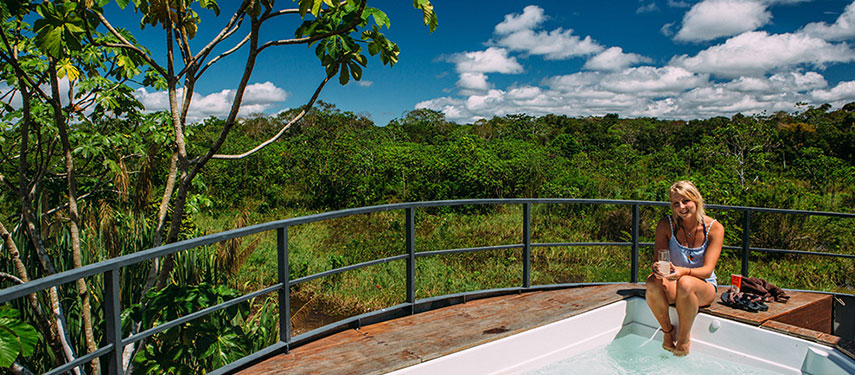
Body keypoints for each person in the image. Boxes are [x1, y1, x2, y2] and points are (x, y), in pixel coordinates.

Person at [645, 180, 723, 356]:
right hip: (674, 283)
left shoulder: (714, 228)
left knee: (686, 283)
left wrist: (683, 271)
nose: (681, 207)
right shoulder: (666, 225)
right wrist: (658, 269)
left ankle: (683, 338)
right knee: (651, 283)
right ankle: (667, 331)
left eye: (686, 201)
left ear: (696, 200)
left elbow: (707, 270)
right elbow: (659, 259)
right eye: (676, 203)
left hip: (703, 286)